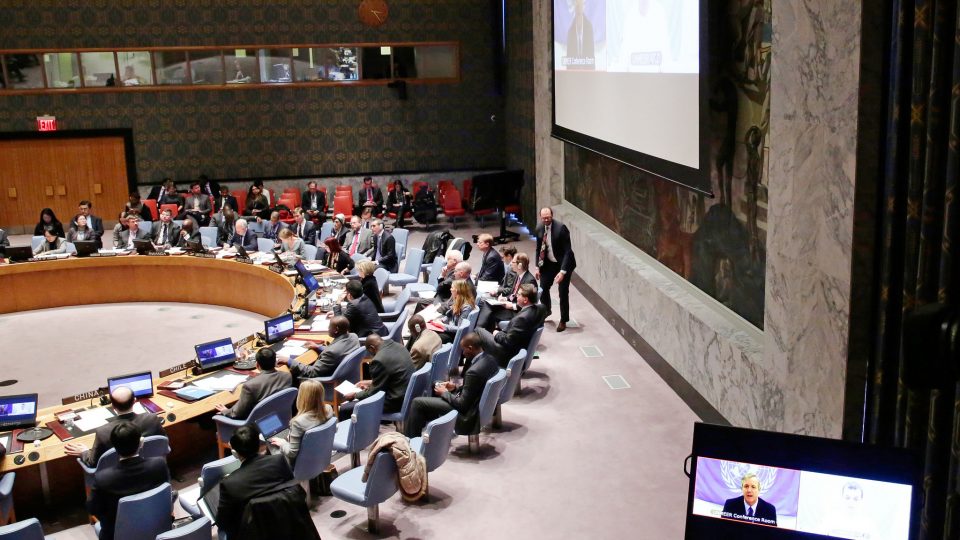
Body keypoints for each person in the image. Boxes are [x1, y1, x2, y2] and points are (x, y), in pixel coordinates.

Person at [403, 333, 499, 437]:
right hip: (473, 405)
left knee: (417, 403)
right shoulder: (490, 359)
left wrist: (444, 393)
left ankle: (411, 442)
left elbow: (462, 405)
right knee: (436, 384)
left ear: (470, 348)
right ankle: (436, 431)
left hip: (468, 416)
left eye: (464, 349)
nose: (463, 353)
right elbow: (475, 388)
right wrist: (454, 387)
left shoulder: (473, 372)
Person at [86, 422, 170, 540]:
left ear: (114, 448)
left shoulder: (103, 478)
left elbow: (92, 508)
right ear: (141, 443)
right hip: (156, 526)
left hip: (116, 534)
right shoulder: (159, 465)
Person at [216, 425, 294, 540]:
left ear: (235, 453)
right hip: (287, 523)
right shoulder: (279, 461)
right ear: (259, 445)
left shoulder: (229, 483)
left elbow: (222, 522)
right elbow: (291, 490)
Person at [64, 386, 167, 467]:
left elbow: (93, 463)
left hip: (118, 476)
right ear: (135, 401)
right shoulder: (152, 419)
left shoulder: (103, 432)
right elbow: (163, 442)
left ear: (112, 406)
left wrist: (84, 452)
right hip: (151, 468)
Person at [338, 334, 414, 421]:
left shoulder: (379, 360)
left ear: (371, 348)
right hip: (406, 395)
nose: (371, 355)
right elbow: (393, 375)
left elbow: (373, 393)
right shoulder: (399, 346)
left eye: (370, 352)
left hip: (395, 402)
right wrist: (370, 383)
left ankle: (356, 434)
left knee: (345, 408)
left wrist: (355, 395)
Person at [475, 284, 542, 367]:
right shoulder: (541, 309)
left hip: (506, 353)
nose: (516, 296)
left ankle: (473, 368)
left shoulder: (522, 318)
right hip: (518, 344)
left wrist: (497, 333)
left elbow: (507, 342)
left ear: (525, 300)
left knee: (478, 331)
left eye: (519, 294)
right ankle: (482, 363)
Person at [215, 348, 292, 419]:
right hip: (282, 416)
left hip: (257, 423)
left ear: (257, 365)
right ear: (275, 362)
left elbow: (236, 414)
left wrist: (225, 411)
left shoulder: (250, 386)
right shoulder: (287, 376)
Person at [268, 379, 332, 464]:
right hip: (321, 454)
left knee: (270, 440)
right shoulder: (328, 409)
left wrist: (283, 443)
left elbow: (292, 453)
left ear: (302, 397)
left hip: (301, 463)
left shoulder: (297, 422)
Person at [536, 207, 577, 332]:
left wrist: (563, 271)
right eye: (544, 218)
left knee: (563, 291)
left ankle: (564, 320)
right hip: (549, 264)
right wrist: (538, 266)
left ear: (552, 215)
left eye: (548, 217)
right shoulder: (539, 228)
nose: (546, 220)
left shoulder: (561, 229)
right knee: (543, 288)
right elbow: (539, 249)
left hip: (563, 264)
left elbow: (568, 252)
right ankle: (547, 310)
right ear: (540, 217)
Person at [279, 316, 360, 379]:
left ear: (336, 330)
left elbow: (312, 372)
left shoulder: (332, 352)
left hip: (326, 380)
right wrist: (318, 347)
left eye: (330, 326)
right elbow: (340, 351)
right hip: (348, 374)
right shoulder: (354, 336)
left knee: (290, 375)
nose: (328, 328)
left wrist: (289, 361)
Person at [477, 252, 538, 331]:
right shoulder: (518, 275)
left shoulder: (530, 280)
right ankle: (479, 329)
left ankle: (482, 332)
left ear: (519, 265)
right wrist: (506, 298)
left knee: (491, 314)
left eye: (513, 262)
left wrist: (512, 305)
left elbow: (527, 304)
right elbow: (514, 293)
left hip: (517, 311)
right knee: (486, 303)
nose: (511, 264)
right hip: (510, 303)